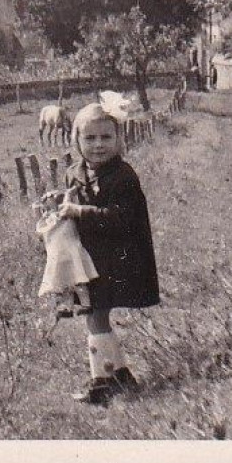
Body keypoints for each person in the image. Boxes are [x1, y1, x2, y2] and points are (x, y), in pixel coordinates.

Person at [52, 102, 161, 405]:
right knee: (94, 315)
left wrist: (78, 211)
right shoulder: (76, 172)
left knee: (95, 316)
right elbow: (76, 198)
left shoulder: (123, 176)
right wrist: (62, 200)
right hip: (90, 258)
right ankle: (120, 374)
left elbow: (119, 218)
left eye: (106, 137)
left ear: (118, 139)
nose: (98, 145)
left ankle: (102, 381)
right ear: (76, 141)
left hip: (117, 259)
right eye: (90, 138)